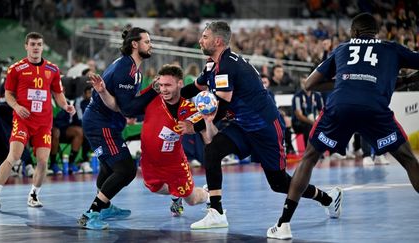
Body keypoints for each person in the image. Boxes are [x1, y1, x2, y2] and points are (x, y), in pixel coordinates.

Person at [180, 21, 340, 230]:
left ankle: (328, 198)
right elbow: (195, 87)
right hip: (243, 126)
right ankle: (216, 212)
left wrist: (197, 123)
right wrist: (171, 95)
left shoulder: (228, 65)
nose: (200, 40)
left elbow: (221, 105)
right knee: (212, 151)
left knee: (279, 183)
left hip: (265, 127)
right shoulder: (213, 64)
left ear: (217, 41)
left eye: (205, 37)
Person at [272, 13, 419, 240]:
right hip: (374, 109)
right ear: (376, 33)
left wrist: (345, 79)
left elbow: (309, 84)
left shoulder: (342, 49)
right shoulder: (391, 48)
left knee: (309, 158)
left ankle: (283, 225)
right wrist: (407, 80)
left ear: (355, 33)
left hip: (340, 107)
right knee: (409, 159)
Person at [90, 64, 209, 219]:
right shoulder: (152, 99)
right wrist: (103, 92)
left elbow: (204, 130)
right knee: (156, 188)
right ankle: (175, 194)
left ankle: (207, 195)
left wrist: (196, 126)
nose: (164, 89)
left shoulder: (187, 108)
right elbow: (124, 107)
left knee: (192, 200)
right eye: (161, 85)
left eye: (168, 85)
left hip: (174, 164)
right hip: (150, 161)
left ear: (180, 84)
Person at [77, 27, 159, 230]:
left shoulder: (131, 67)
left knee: (110, 166)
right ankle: (93, 213)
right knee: (126, 170)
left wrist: (131, 109)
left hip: (104, 122)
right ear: (135, 44)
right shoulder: (127, 70)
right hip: (101, 123)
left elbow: (123, 105)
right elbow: (127, 108)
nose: (151, 45)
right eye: (147, 42)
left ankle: (105, 207)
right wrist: (153, 91)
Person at [0, 32, 75, 210]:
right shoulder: (16, 69)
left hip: (43, 123)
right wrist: (17, 107)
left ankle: (33, 195)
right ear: (26, 46)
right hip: (23, 120)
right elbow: (8, 94)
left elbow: (58, 93)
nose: (36, 47)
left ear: (42, 47)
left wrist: (66, 106)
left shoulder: (53, 69)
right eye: (33, 44)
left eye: (39, 44)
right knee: (14, 156)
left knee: (43, 160)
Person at [291, 74, 324, 146]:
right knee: (309, 126)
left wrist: (317, 121)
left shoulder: (317, 95)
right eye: (303, 83)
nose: (305, 84)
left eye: (307, 82)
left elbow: (321, 111)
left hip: (314, 121)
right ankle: (309, 151)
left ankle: (331, 152)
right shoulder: (297, 97)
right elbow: (299, 116)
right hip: (299, 123)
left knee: (326, 124)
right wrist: (312, 122)